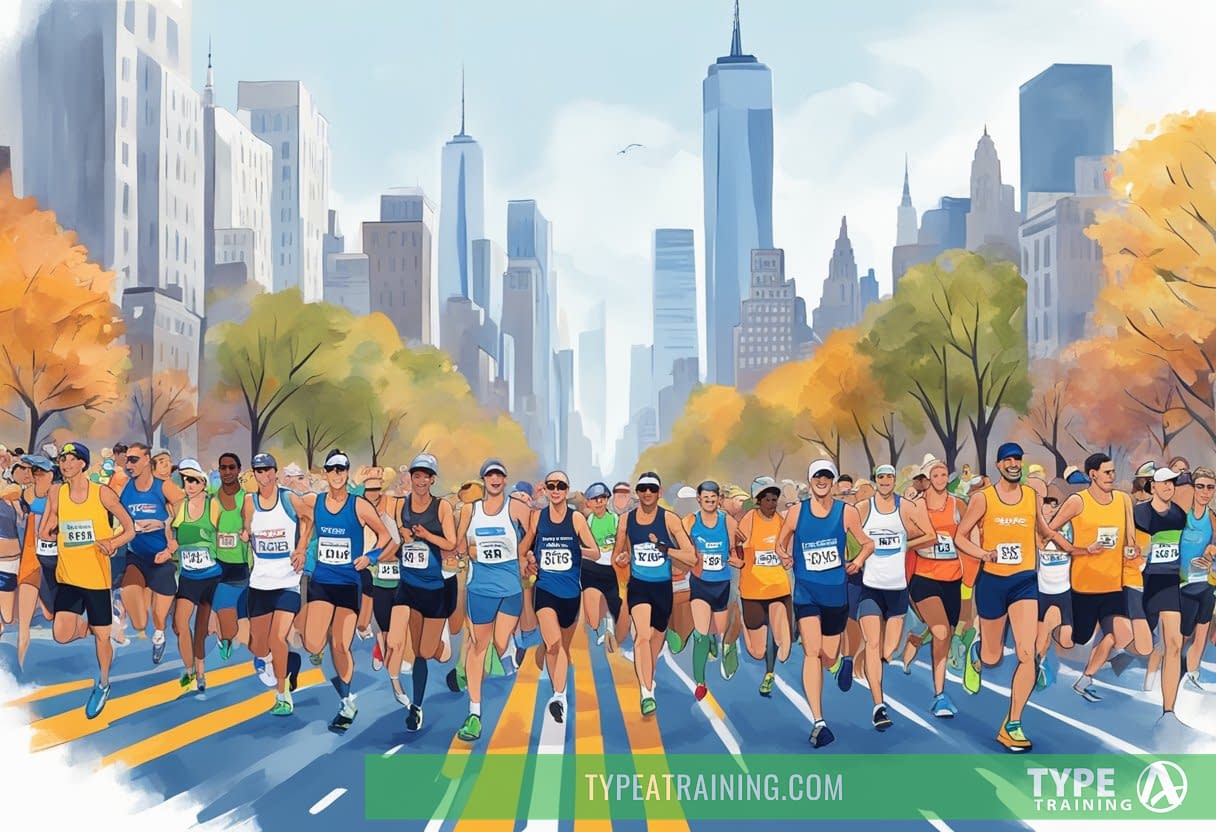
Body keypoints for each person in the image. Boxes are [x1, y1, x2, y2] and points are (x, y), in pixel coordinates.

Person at [955, 442, 1076, 753]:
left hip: (1024, 582)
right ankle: (978, 651)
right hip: (992, 582)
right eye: (1008, 460)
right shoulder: (984, 499)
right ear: (998, 465)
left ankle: (1012, 724)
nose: (1013, 464)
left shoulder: (1032, 497)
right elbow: (960, 537)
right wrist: (984, 553)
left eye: (1017, 460)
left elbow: (1043, 530)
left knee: (1027, 652)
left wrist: (1075, 547)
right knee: (993, 657)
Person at [776, 459, 874, 749]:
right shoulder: (796, 513)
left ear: (832, 481)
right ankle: (819, 722)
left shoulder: (847, 513)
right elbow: (779, 544)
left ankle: (842, 659)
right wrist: (783, 556)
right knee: (811, 652)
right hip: (806, 593)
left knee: (827, 656)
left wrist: (856, 561)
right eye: (817, 476)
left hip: (835, 594)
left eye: (826, 476)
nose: (822, 480)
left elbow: (868, 543)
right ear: (809, 480)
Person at [298, 450, 395, 731]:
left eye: (342, 469)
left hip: (348, 583)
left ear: (347, 473)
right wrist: (302, 547)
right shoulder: (316, 502)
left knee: (341, 644)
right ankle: (320, 636)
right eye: (332, 469)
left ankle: (347, 702)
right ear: (326, 473)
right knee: (313, 644)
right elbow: (308, 525)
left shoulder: (360, 505)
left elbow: (387, 536)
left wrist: (372, 557)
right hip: (322, 580)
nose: (337, 474)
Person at [39, 442, 136, 718]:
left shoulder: (102, 493)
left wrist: (112, 541)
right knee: (61, 634)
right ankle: (98, 628)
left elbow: (129, 529)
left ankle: (104, 683)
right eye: (62, 459)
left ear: (83, 463)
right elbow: (49, 527)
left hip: (95, 579)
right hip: (68, 577)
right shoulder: (57, 492)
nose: (65, 464)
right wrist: (49, 530)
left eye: (70, 459)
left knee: (103, 642)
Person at [1045, 453, 1139, 702]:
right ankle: (1049, 631)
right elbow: (1049, 530)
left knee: (1119, 634)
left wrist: (1132, 550)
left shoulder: (1122, 500)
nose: (1112, 476)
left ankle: (1085, 679)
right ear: (1092, 474)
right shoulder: (1078, 501)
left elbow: (1130, 539)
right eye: (1107, 472)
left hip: (1113, 586)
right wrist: (1080, 549)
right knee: (1072, 641)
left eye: (1113, 472)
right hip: (1084, 586)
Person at [853, 464, 934, 731]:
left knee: (888, 651)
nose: (885, 481)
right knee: (875, 645)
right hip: (870, 589)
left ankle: (862, 656)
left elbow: (930, 535)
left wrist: (905, 546)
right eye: (881, 477)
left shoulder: (906, 507)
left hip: (897, 590)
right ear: (875, 480)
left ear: (894, 480)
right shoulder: (864, 508)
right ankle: (878, 705)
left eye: (889, 477)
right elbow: (844, 530)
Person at [452, 458, 528, 741]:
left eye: (499, 475)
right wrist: (467, 550)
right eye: (489, 476)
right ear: (483, 480)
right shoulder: (471, 511)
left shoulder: (516, 507)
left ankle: (510, 649)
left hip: (510, 588)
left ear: (505, 480)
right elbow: (460, 544)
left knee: (501, 642)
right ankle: (474, 713)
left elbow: (531, 530)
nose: (495, 480)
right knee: (476, 646)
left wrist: (521, 551)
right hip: (480, 588)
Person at [613, 471, 696, 716]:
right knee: (641, 637)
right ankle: (646, 692)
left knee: (655, 640)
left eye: (652, 489)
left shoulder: (669, 520)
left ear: (659, 493)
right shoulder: (626, 520)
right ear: (637, 493)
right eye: (643, 489)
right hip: (639, 586)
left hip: (663, 588)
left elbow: (690, 557)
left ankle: (648, 676)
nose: (647, 493)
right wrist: (622, 558)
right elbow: (618, 555)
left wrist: (666, 549)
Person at [386, 453, 458, 732]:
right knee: (404, 645)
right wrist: (401, 539)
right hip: (408, 586)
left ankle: (441, 641)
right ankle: (415, 707)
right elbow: (397, 536)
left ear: (432, 480)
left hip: (434, 588)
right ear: (411, 478)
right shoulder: (400, 506)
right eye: (416, 476)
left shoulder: (441, 508)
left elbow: (450, 543)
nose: (420, 481)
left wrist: (426, 536)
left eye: (425, 477)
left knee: (427, 652)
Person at [521, 470, 599, 723]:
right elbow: (525, 548)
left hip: (570, 594)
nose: (556, 490)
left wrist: (576, 547)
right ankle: (559, 696)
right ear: (545, 489)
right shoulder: (537, 518)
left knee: (561, 647)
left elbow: (595, 552)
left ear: (566, 490)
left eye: (561, 486)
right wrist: (528, 558)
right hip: (545, 589)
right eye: (551, 486)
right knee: (554, 644)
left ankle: (556, 681)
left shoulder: (576, 519)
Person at [240, 453, 311, 715]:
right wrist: (245, 534)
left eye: (269, 470)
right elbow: (246, 527)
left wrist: (301, 548)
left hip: (287, 582)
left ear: (276, 472)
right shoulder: (249, 502)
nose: (265, 475)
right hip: (260, 583)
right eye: (259, 471)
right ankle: (279, 661)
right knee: (258, 646)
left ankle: (282, 694)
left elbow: (309, 519)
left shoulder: (288, 498)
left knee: (277, 637)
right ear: (254, 474)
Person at [902, 458, 967, 717]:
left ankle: (916, 636)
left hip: (953, 578)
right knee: (941, 633)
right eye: (935, 475)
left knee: (946, 634)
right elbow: (904, 536)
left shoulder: (957, 504)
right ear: (926, 479)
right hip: (924, 575)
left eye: (943, 475)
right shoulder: (915, 506)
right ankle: (939, 695)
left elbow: (969, 534)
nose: (940, 479)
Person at [118, 442, 185, 664]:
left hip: (162, 559)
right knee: (138, 621)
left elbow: (189, 512)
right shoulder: (126, 488)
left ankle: (159, 636)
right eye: (127, 460)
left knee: (158, 616)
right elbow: (118, 517)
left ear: (147, 460)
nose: (129, 464)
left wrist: (172, 541)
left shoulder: (163, 487)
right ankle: (126, 617)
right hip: (136, 557)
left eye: (134, 459)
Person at [1132, 467, 1187, 724]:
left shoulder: (1178, 515)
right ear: (1152, 486)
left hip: (1167, 583)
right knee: (1138, 646)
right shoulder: (1138, 513)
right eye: (1163, 483)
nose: (1168, 487)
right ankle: (1120, 653)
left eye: (1171, 483)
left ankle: (1168, 711)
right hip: (1141, 584)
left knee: (1174, 643)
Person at [734, 477, 793, 698]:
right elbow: (738, 545)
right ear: (758, 501)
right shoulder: (749, 520)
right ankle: (740, 621)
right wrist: (739, 552)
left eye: (774, 499)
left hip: (778, 588)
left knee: (784, 648)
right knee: (757, 652)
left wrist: (786, 558)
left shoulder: (781, 522)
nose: (772, 503)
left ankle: (770, 674)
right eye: (767, 499)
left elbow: (786, 549)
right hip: (752, 590)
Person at [168, 458, 223, 691]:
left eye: (192, 480)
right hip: (189, 575)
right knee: (179, 624)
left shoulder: (213, 505)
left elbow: (225, 533)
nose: (188, 484)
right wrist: (170, 543)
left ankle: (200, 673)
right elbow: (170, 530)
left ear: (202, 482)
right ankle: (190, 669)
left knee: (200, 629)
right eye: (184, 480)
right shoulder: (180, 506)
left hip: (211, 575)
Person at [682, 481, 740, 701]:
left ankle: (725, 644)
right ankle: (700, 682)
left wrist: (735, 559)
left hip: (722, 584)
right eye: (705, 498)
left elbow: (737, 550)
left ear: (718, 499)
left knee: (719, 628)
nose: (709, 502)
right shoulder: (690, 522)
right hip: (700, 584)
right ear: (699, 499)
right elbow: (681, 545)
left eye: (713, 498)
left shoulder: (728, 522)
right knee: (700, 634)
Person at [14, 455, 56, 667]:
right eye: (34, 471)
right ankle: (19, 668)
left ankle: (105, 629)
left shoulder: (61, 494)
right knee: (24, 625)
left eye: (41, 471)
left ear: (51, 474)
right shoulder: (25, 494)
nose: (36, 475)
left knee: (52, 616)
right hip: (30, 561)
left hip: (54, 564)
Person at [1179, 466, 1216, 691]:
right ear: (1193, 488)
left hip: (1206, 583)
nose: (1205, 492)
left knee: (1202, 632)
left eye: (1210, 487)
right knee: (1183, 635)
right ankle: (1169, 673)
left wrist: (1212, 550)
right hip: (1182, 584)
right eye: (1200, 486)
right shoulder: (1183, 515)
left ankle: (1192, 675)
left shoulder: (1212, 518)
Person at [213, 453, 251, 660]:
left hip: (241, 565)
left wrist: (248, 532)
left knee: (242, 622)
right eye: (223, 468)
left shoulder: (246, 499)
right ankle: (224, 636)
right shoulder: (211, 497)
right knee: (228, 626)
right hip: (217, 565)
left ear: (238, 470)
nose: (227, 472)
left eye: (231, 467)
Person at [582, 481, 626, 653]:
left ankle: (610, 623)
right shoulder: (588, 521)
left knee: (615, 602)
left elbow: (622, 544)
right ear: (589, 503)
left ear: (607, 500)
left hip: (611, 568)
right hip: (592, 567)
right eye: (595, 499)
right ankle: (600, 625)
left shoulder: (616, 519)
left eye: (602, 498)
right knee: (592, 618)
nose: (599, 502)